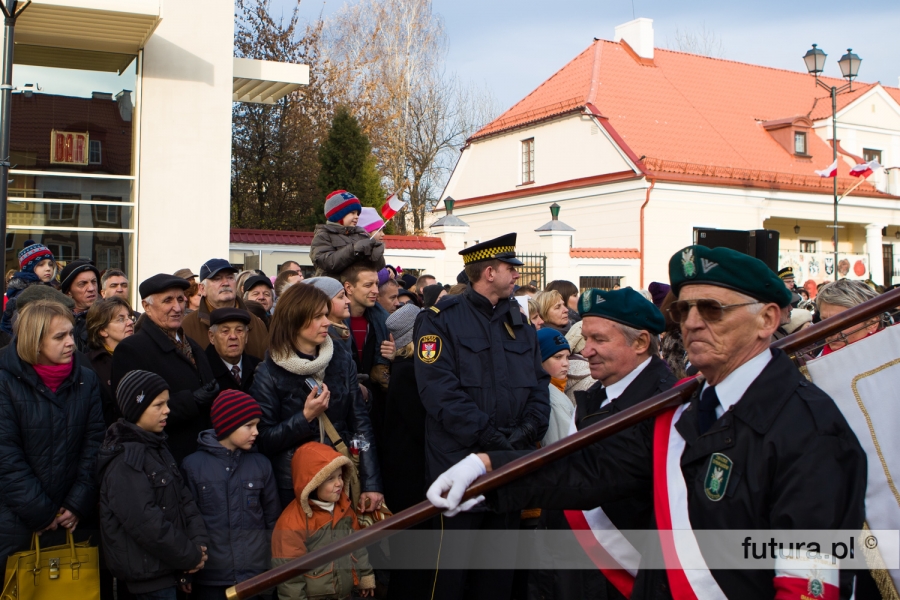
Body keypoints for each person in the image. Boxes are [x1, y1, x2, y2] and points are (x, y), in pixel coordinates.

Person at [429, 245, 867, 599]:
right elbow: (593, 470)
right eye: (684, 311)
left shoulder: (810, 427)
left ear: (768, 319)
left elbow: (808, 578)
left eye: (712, 310)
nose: (692, 323)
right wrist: (489, 469)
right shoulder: (691, 407)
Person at [414, 232, 549, 600]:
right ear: (489, 272)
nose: (517, 275)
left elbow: (539, 384)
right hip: (458, 468)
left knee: (498, 578)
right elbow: (439, 393)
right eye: (510, 268)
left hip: (508, 467)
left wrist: (522, 435)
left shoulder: (520, 323)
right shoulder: (440, 320)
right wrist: (492, 440)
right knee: (450, 579)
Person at [251, 283, 383, 512]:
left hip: (339, 476)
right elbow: (263, 439)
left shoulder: (341, 360)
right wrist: (305, 417)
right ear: (295, 319)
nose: (327, 322)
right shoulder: (269, 372)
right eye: (318, 316)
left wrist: (371, 484)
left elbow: (360, 423)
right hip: (296, 485)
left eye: (325, 314)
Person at [0, 299, 105, 569]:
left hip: (75, 521)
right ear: (35, 342)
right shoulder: (5, 382)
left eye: (71, 333)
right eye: (60, 336)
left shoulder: (86, 379)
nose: (71, 342)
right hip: (18, 523)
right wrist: (43, 512)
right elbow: (6, 456)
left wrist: (77, 503)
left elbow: (94, 443)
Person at [98, 370, 209, 599]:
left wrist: (199, 546)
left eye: (166, 403)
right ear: (137, 407)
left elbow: (183, 499)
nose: (167, 410)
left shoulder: (157, 447)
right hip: (149, 581)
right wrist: (190, 555)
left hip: (172, 570)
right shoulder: (126, 460)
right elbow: (145, 523)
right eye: (158, 405)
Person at [181, 390, 280, 599]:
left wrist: (275, 564)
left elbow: (272, 519)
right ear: (227, 425)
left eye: (257, 425)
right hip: (211, 577)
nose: (256, 432)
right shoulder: (193, 466)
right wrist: (187, 571)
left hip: (254, 575)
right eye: (248, 425)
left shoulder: (261, 465)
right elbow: (187, 521)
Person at [112, 274, 219, 464]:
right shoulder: (132, 349)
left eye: (180, 299)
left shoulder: (192, 345)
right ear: (146, 306)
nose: (177, 308)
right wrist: (191, 401)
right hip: (164, 459)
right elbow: (134, 411)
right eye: (167, 300)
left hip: (202, 457)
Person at [271, 442, 375, 600]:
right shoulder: (291, 523)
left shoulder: (345, 508)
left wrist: (365, 577)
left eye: (340, 476)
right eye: (330, 479)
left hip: (346, 593)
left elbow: (358, 546)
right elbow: (290, 579)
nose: (339, 483)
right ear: (312, 484)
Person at [182, 258, 269, 360]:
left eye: (230, 277)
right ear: (202, 289)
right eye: (217, 279)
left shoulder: (257, 324)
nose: (225, 283)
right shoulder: (187, 326)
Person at [341, 264, 393, 397]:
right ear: (349, 288)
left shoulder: (382, 324)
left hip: (374, 403)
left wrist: (394, 357)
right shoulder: (332, 325)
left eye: (376, 284)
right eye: (368, 285)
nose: (376, 290)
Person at [310, 190, 385, 278]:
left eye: (357, 213)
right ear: (339, 215)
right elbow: (328, 263)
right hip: (335, 289)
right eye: (352, 213)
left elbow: (376, 268)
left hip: (357, 289)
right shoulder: (323, 235)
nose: (357, 216)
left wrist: (377, 256)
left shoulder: (361, 234)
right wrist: (353, 250)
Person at [86, 296, 136, 425]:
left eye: (129, 317)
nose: (130, 322)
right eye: (121, 319)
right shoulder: (89, 364)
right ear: (102, 330)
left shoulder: (141, 354)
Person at [1, 240, 56, 334]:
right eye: (41, 264)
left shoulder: (49, 290)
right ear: (29, 267)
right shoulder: (24, 295)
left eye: (50, 264)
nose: (48, 268)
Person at [816, 278, 880, 355]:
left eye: (840, 322)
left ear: (872, 323)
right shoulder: (817, 360)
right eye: (824, 321)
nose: (829, 331)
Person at [205, 308, 261, 394]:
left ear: (246, 336)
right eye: (225, 331)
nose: (233, 336)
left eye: (239, 330)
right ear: (212, 337)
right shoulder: (202, 371)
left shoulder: (259, 368)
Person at [536, 328, 574, 446]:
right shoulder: (553, 400)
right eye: (558, 357)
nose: (566, 363)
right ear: (540, 360)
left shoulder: (556, 390)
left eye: (567, 357)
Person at [60, 258, 101, 352]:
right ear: (68, 292)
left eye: (94, 282)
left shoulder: (107, 316)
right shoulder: (57, 318)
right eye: (82, 284)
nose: (91, 288)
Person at [302, 276, 352, 343]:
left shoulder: (344, 328)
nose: (348, 301)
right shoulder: (323, 340)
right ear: (324, 303)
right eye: (341, 296)